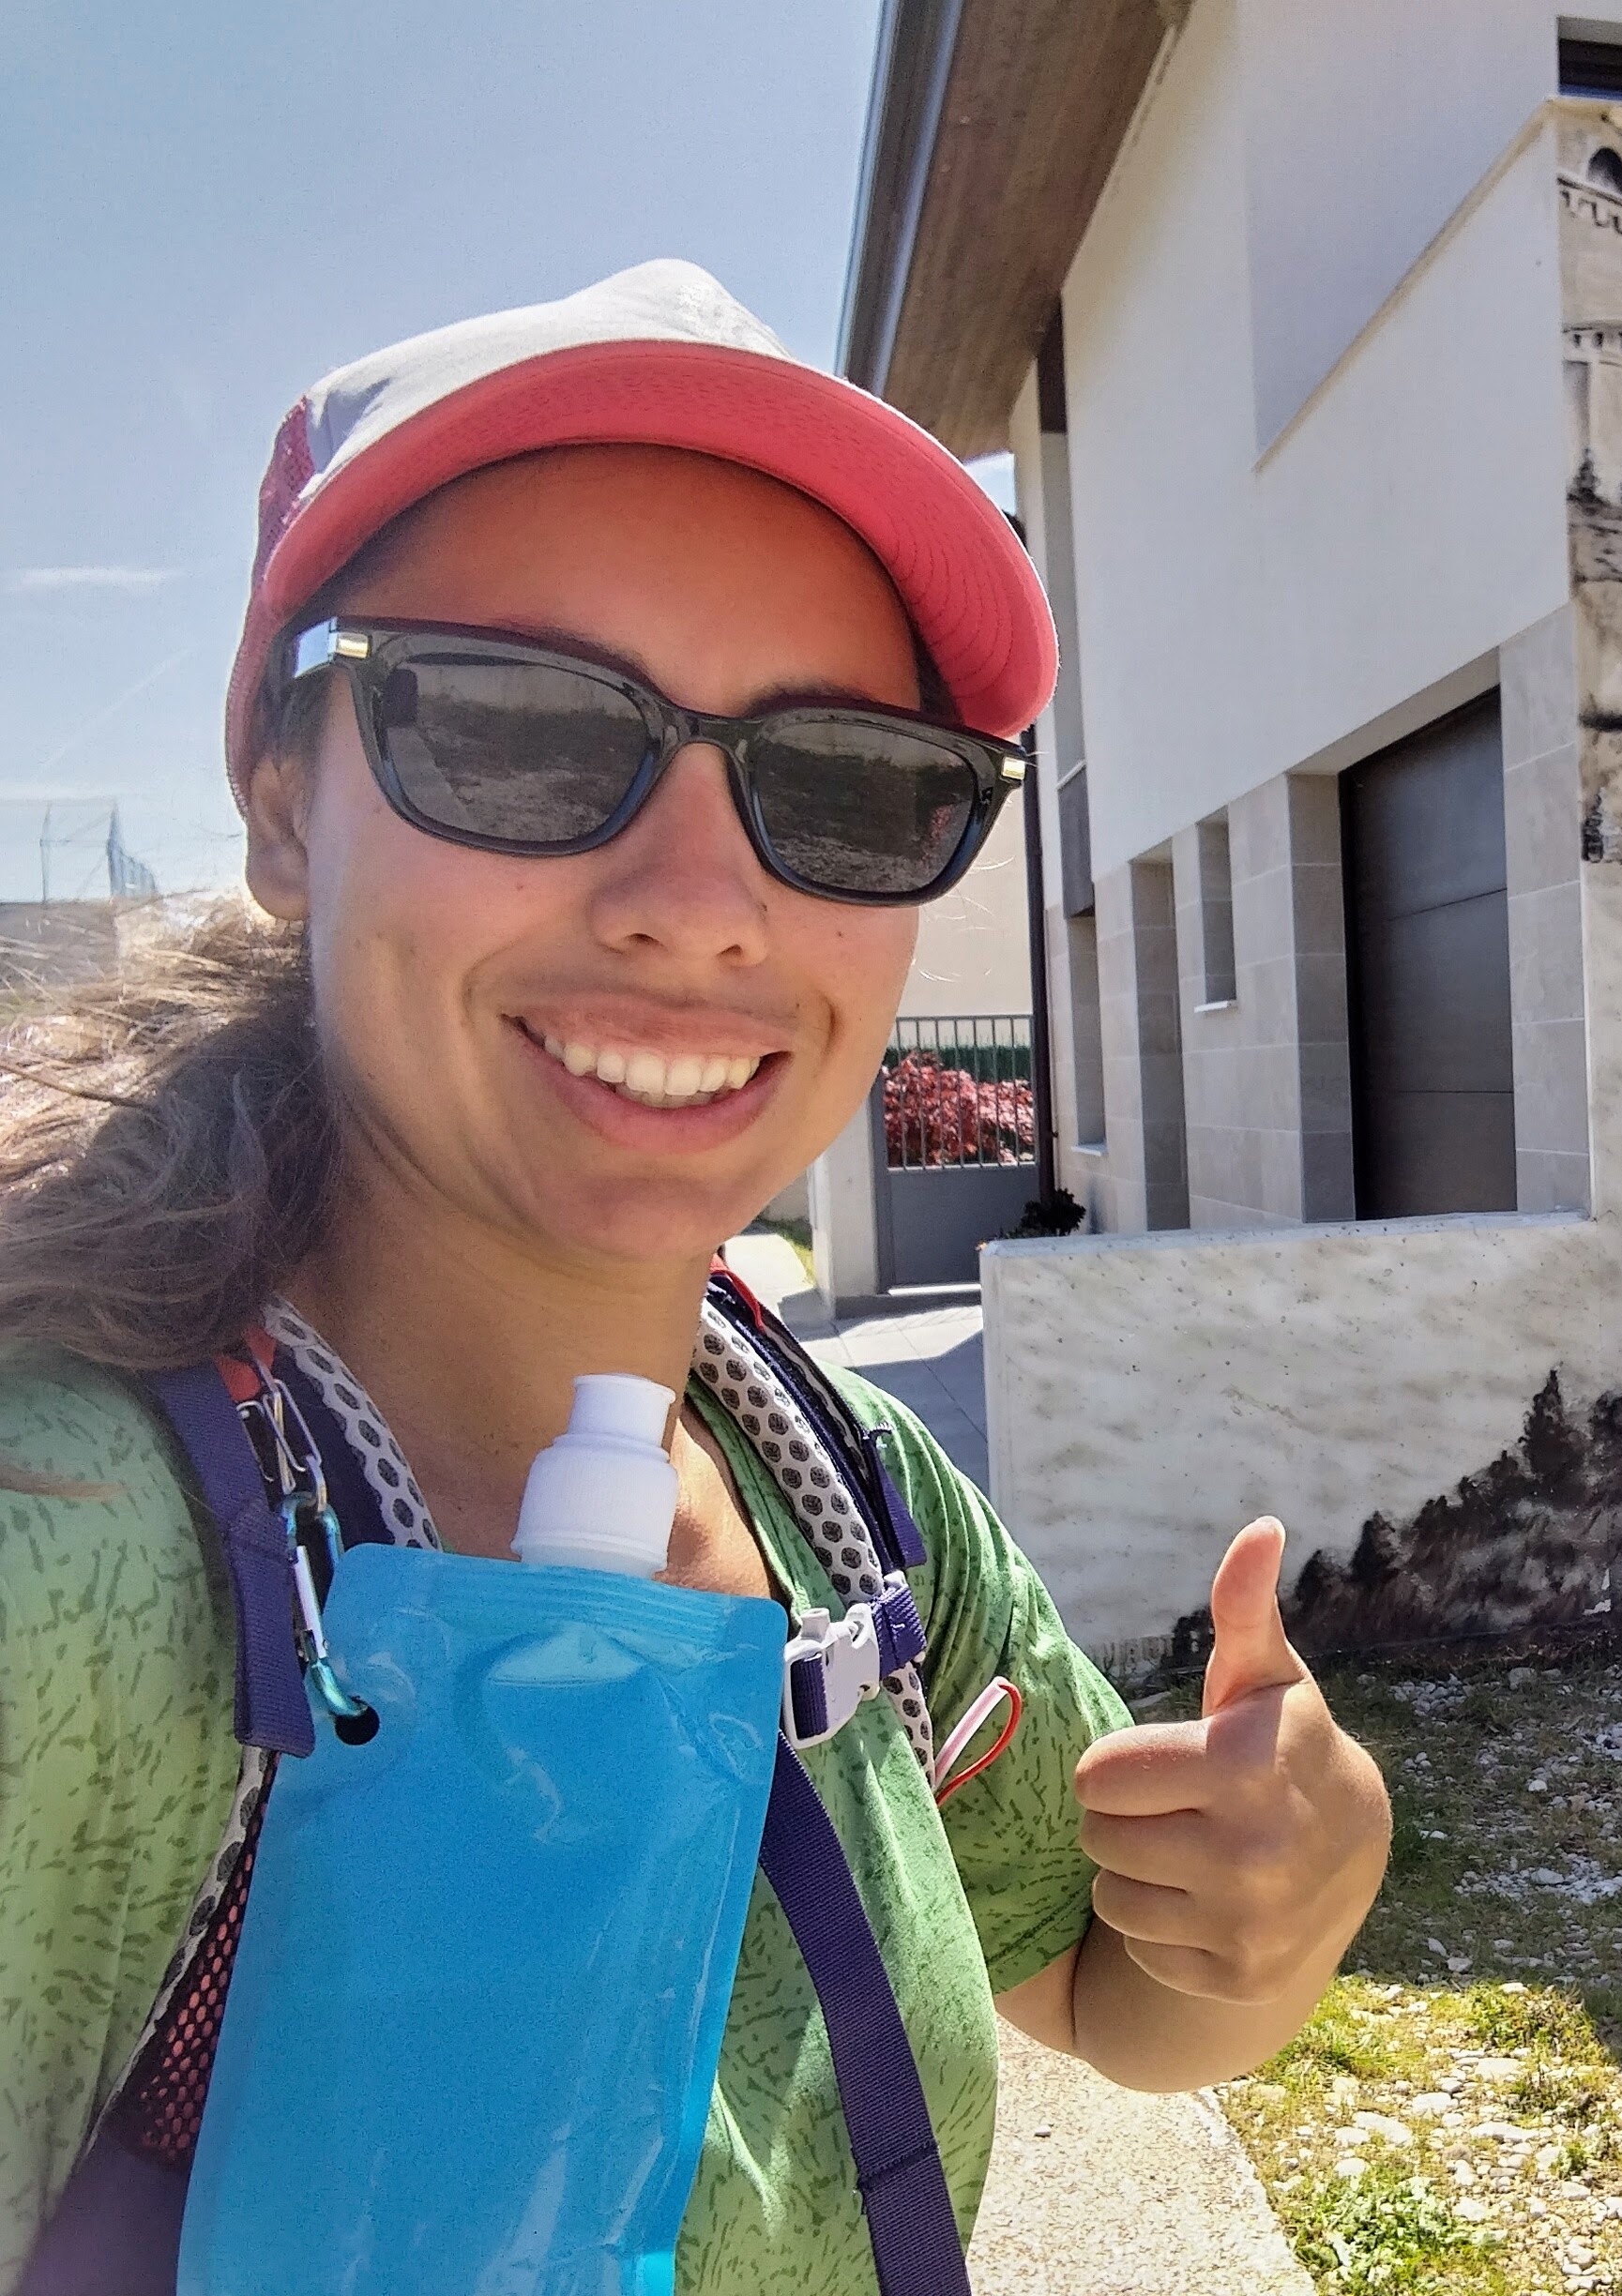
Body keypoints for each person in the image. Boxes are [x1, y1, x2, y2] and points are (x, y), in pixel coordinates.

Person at [0, 264, 1391, 2292]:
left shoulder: (856, 1499)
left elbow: (1110, 2001)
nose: (699, 906)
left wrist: (1288, 1896)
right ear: (287, 810)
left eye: (843, 782)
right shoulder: (72, 1573)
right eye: (508, 728)